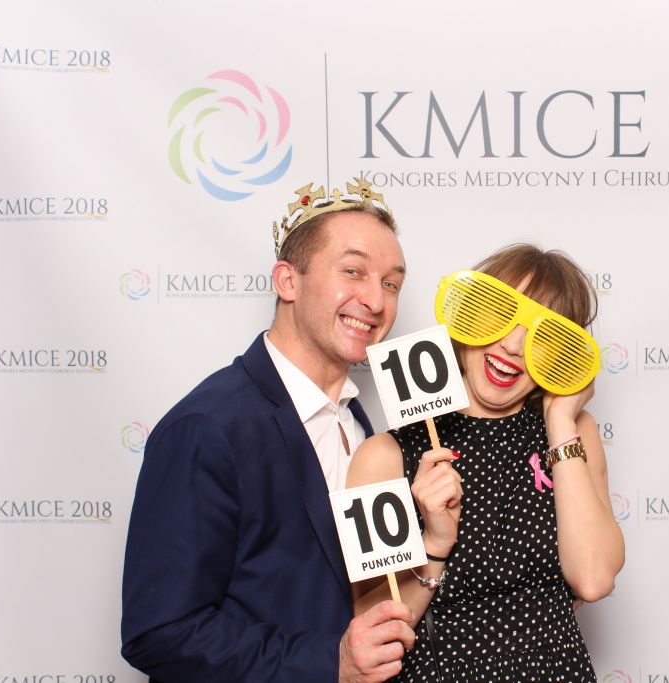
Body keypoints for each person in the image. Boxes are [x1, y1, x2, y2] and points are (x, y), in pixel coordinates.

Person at [121, 179, 416, 682]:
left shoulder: (360, 423)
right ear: (287, 281)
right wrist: (329, 661)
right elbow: (160, 632)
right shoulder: (207, 428)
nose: (375, 299)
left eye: (391, 284)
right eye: (353, 271)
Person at [347, 243, 625, 681]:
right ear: (469, 315)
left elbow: (592, 579)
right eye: (501, 317)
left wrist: (559, 420)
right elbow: (372, 628)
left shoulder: (574, 432)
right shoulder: (383, 457)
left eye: (543, 338)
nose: (513, 346)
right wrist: (434, 544)